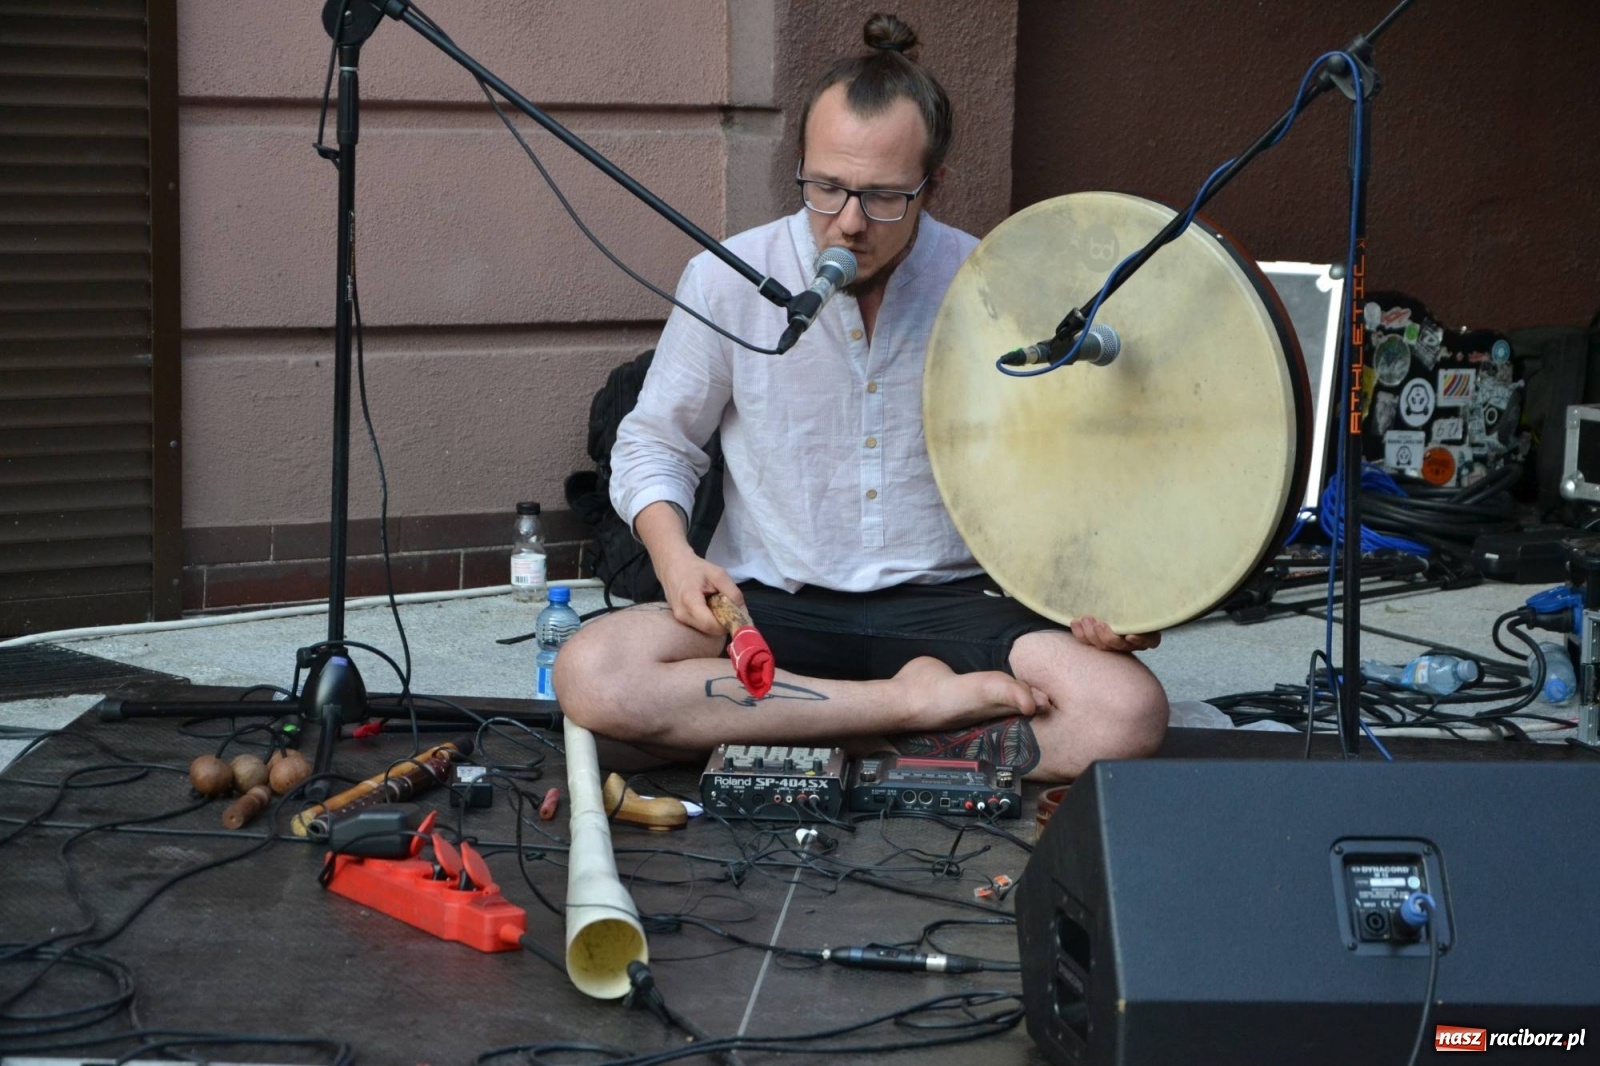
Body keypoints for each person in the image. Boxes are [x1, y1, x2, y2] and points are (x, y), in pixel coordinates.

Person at [555, 13, 1168, 782]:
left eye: (882, 198)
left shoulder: (991, 284)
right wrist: (675, 560)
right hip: (773, 599)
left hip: (952, 601)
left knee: (1125, 712)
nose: (848, 222)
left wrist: (1108, 596)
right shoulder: (730, 275)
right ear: (801, 165)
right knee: (592, 673)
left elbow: (1065, 471)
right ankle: (910, 715)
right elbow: (656, 441)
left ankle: (791, 731)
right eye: (826, 188)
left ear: (931, 186)